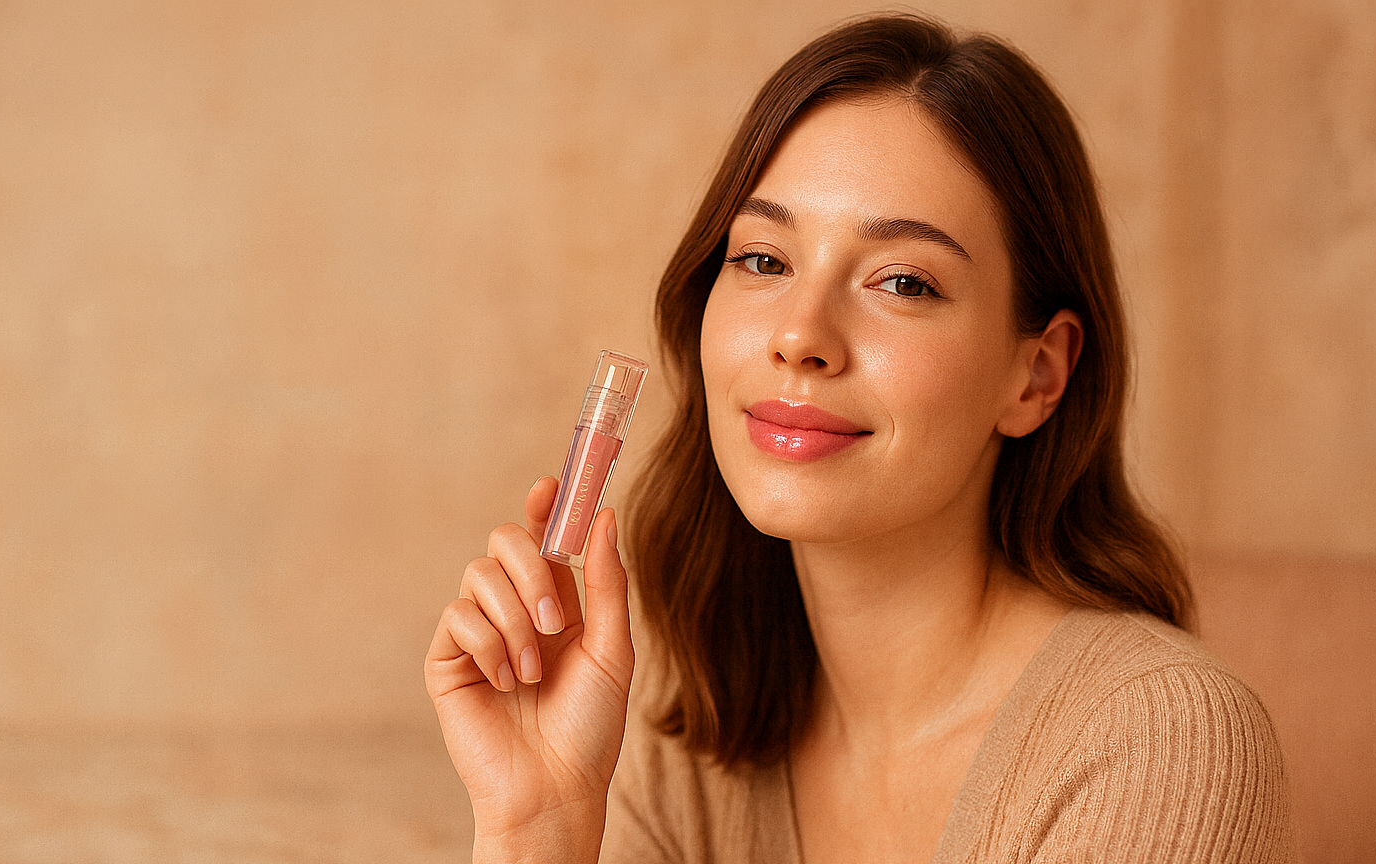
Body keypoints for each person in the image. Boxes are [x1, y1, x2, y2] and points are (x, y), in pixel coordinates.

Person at [426, 14, 1293, 864]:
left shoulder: (1159, 744)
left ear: (1035, 376)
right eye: (764, 260)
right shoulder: (693, 752)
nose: (800, 334)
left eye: (904, 281)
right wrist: (535, 826)